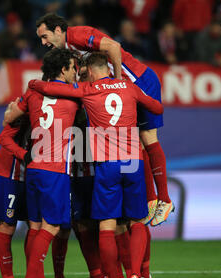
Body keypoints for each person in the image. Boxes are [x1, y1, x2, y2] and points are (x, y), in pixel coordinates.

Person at [28, 52, 163, 278]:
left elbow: (56, 89)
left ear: (89, 70)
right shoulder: (129, 87)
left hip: (106, 165)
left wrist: (34, 84)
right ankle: (135, 274)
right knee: (137, 222)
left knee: (107, 226)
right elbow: (156, 106)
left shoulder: (87, 89)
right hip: (133, 162)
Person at [34, 12, 174, 229]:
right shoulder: (71, 51)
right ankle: (152, 199)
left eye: (45, 36)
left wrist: (117, 82)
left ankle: (164, 200)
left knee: (148, 138)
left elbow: (114, 47)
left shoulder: (77, 35)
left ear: (58, 31)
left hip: (140, 81)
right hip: (128, 89)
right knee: (136, 142)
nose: (43, 43)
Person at [3, 48, 79, 278]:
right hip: (55, 170)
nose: (74, 72)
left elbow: (9, 118)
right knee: (53, 227)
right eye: (72, 67)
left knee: (35, 227)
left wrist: (32, 85)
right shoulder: (73, 96)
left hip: (33, 168)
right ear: (63, 70)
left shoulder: (33, 93)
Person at [0, 116, 31, 278]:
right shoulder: (26, 109)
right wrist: (24, 155)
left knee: (36, 225)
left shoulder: (57, 109)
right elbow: (4, 135)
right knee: (7, 225)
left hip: (33, 177)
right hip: (9, 176)